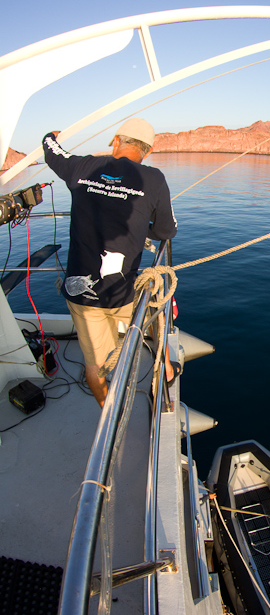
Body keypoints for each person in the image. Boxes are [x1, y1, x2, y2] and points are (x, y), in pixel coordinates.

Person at [42, 119, 177, 407]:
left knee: (95, 363)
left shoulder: (83, 166)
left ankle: (108, 410)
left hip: (82, 293)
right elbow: (167, 230)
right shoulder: (154, 179)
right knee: (153, 308)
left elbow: (52, 153)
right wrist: (142, 228)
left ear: (116, 141)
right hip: (123, 292)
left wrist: (49, 136)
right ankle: (165, 367)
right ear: (148, 150)